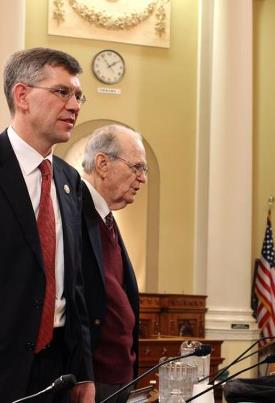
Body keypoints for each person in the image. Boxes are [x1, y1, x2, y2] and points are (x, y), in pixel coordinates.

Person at [0, 47, 95, 402]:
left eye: (77, 95)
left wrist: (84, 371)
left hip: (56, 372)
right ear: (22, 96)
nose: (74, 105)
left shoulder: (70, 182)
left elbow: (77, 286)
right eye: (62, 92)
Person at [81, 124, 147, 402]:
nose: (142, 179)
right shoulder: (73, 214)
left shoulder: (106, 218)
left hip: (119, 376)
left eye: (145, 170)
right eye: (136, 168)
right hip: (93, 379)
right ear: (103, 164)